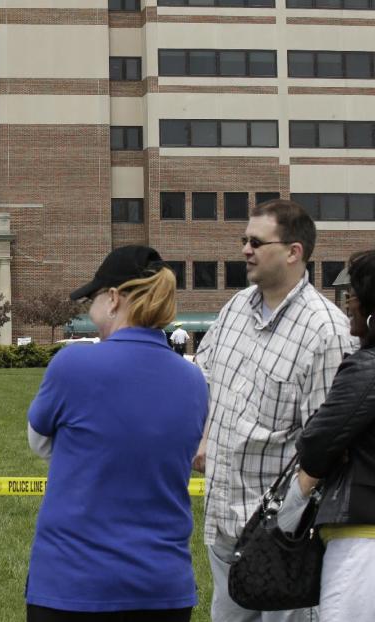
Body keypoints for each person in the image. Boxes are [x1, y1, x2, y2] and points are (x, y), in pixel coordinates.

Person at [26, 245, 207, 621]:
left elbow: (39, 441)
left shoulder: (72, 364)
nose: (88, 308)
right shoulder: (193, 379)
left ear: (113, 299)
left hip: (72, 585)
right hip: (163, 588)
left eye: (92, 297)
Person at [193, 199, 355, 622]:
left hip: (281, 542)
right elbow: (206, 381)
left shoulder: (326, 331)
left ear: (293, 251)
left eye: (256, 242)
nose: (245, 249)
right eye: (244, 240)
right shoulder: (235, 309)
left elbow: (327, 444)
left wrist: (285, 520)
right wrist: (206, 437)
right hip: (223, 527)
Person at [280, 250, 375, 619]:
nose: (347, 302)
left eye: (353, 293)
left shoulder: (367, 369)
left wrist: (337, 446)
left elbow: (316, 443)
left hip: (362, 539)